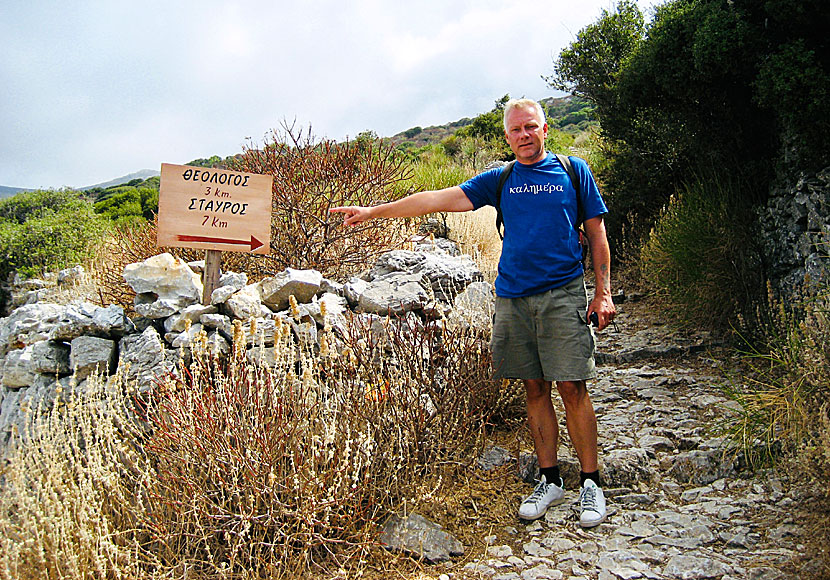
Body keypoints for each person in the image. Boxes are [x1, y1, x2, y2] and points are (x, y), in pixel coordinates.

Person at [331, 98, 616, 528]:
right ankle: (550, 479)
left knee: (572, 387)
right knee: (534, 388)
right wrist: (373, 212)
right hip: (514, 297)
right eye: (516, 129)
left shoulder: (573, 171)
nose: (524, 135)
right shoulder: (500, 179)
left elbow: (597, 233)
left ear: (544, 129)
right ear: (507, 136)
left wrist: (603, 293)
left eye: (531, 127)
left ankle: (591, 483)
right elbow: (434, 199)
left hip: (562, 294)